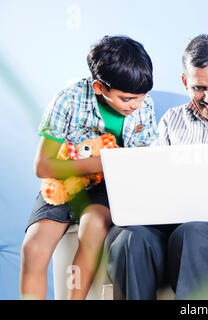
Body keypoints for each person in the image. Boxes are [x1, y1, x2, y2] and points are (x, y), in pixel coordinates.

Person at [106, 34, 208, 300]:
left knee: (195, 232)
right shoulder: (171, 120)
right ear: (184, 82)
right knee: (131, 240)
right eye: (198, 88)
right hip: (169, 228)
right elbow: (153, 177)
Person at [20, 35, 157, 300]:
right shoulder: (69, 98)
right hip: (63, 183)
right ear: (98, 87)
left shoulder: (144, 107)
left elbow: (140, 163)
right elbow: (43, 166)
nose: (136, 105)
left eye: (141, 97)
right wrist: (103, 162)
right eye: (127, 99)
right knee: (33, 248)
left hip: (108, 189)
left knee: (93, 225)